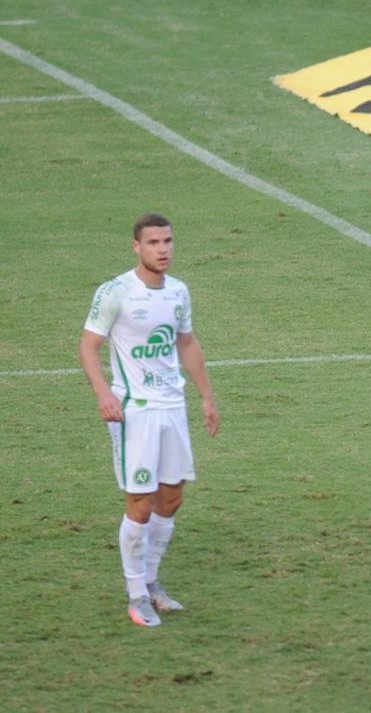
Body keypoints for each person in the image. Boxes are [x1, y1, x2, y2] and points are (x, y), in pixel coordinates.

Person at [79, 213, 219, 627]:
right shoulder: (116, 292)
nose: (163, 249)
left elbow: (187, 343)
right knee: (140, 504)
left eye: (168, 241)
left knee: (172, 496)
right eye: (154, 242)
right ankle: (136, 593)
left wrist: (207, 397)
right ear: (136, 247)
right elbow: (88, 347)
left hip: (172, 407)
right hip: (134, 410)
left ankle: (153, 583)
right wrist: (104, 394)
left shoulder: (177, 292)